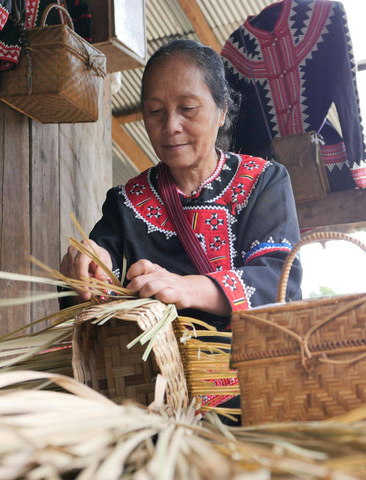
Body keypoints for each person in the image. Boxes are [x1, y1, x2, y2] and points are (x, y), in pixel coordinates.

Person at [60, 39, 303, 422]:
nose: (170, 126)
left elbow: (279, 281)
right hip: (152, 403)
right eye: (155, 112)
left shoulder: (263, 182)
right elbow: (88, 293)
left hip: (255, 394)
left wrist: (186, 287)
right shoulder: (125, 202)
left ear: (222, 111)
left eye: (187, 109)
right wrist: (87, 267)